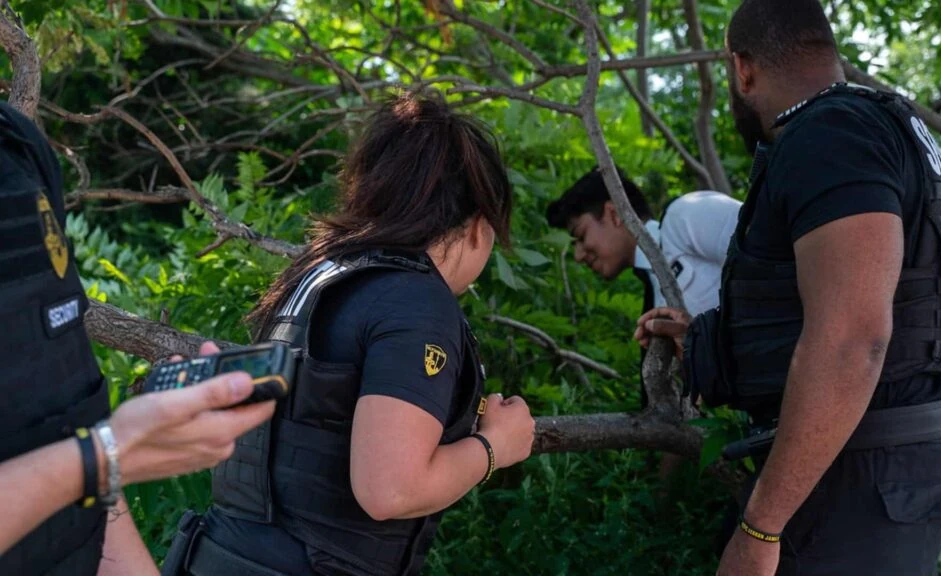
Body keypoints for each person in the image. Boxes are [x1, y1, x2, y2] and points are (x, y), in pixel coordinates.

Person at [637, 1, 941, 574]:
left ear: (742, 68)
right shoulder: (881, 129)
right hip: (881, 469)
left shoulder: (830, 133)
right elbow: (864, 306)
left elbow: (853, 340)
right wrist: (706, 340)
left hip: (856, 479)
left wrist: (760, 529)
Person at [162, 94, 536, 576]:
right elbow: (391, 490)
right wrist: (494, 448)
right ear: (478, 229)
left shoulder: (314, 277)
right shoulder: (417, 301)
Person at [0, 99, 275, 576]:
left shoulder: (17, 145)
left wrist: (105, 455)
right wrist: (106, 457)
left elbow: (78, 448)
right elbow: (92, 459)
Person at [547, 166, 739, 405]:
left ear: (614, 213)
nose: (577, 255)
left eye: (581, 235)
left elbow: (778, 248)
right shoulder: (658, 306)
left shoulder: (685, 216)